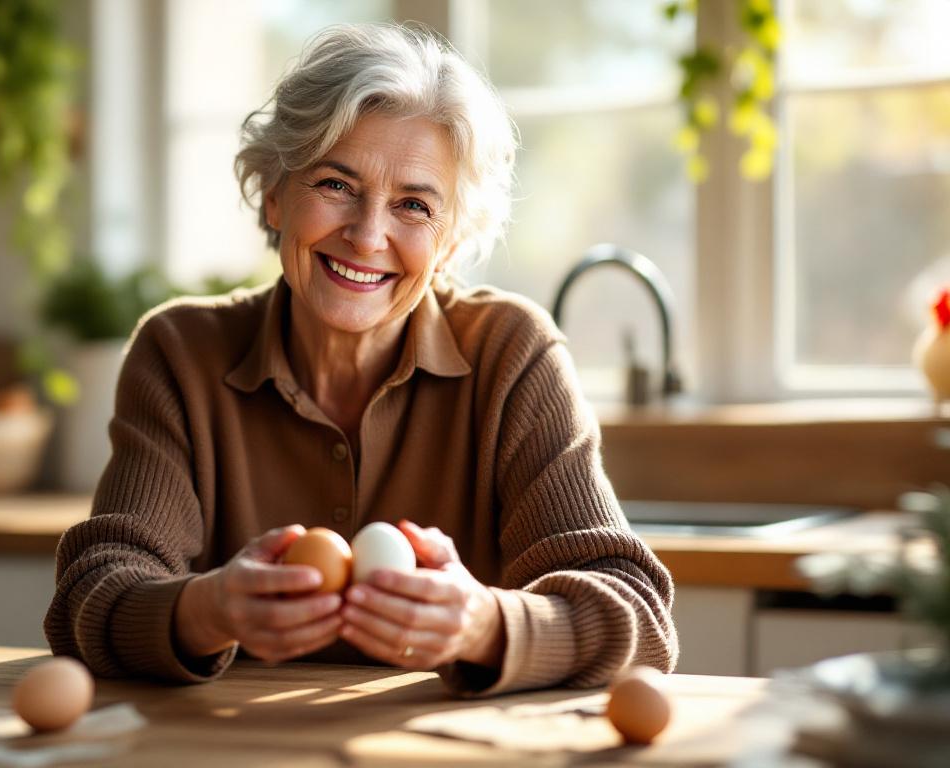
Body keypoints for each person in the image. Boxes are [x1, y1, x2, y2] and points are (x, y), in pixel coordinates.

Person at [45, 22, 677, 696]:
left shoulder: (512, 355)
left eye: (414, 205)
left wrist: (484, 625)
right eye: (336, 186)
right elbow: (90, 594)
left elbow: (639, 615)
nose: (368, 234)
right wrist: (206, 609)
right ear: (274, 195)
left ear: (453, 240)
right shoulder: (181, 354)